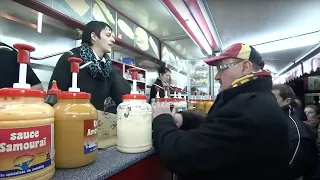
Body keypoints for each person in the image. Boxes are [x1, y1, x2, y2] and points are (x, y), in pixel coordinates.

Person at [152, 43, 289, 180]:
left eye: (221, 68)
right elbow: (218, 127)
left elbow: (179, 155)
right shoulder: (255, 99)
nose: (217, 76)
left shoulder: (249, 108)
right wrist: (184, 119)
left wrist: (162, 119)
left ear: (245, 67)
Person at [49, 21, 130, 111]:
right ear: (94, 36)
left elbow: (123, 97)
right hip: (70, 119)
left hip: (96, 120)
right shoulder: (70, 58)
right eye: (108, 35)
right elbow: (53, 97)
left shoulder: (107, 67)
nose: (113, 40)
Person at [272, 84, 318, 179]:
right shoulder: (275, 119)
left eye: (273, 98)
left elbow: (294, 164)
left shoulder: (294, 128)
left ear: (287, 101)